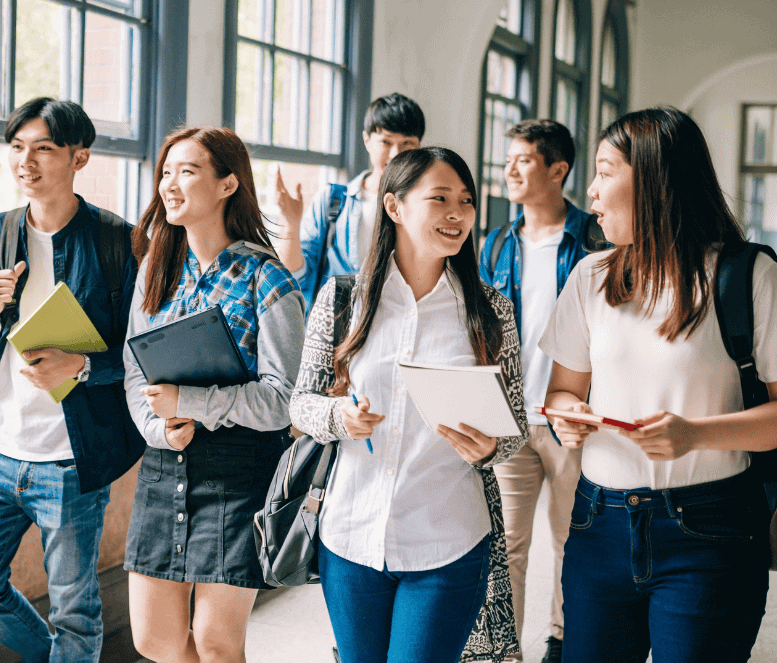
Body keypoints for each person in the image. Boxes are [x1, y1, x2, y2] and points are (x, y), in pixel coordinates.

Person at [540, 107, 777, 663]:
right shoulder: (590, 277)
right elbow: (562, 392)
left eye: (604, 171)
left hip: (709, 531)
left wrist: (694, 435)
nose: (591, 191)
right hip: (598, 523)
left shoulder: (749, 276)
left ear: (653, 180)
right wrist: (567, 416)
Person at [290, 147, 529, 663]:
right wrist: (340, 418)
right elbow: (300, 404)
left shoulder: (492, 313)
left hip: (448, 540)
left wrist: (491, 445)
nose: (456, 214)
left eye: (465, 202)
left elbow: (515, 429)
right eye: (439, 199)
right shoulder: (341, 301)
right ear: (394, 207)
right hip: (349, 537)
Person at [0, 97, 144, 663]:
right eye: (16, 147)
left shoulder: (118, 242)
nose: (24, 162)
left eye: (43, 149)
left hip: (69, 459)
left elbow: (143, 353)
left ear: (79, 157)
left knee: (75, 612)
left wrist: (81, 366)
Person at [122, 127, 306, 663]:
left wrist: (192, 403)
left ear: (228, 184)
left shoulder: (267, 279)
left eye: (187, 171)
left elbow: (283, 400)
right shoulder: (157, 267)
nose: (169, 185)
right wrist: (160, 426)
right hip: (164, 463)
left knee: (217, 643)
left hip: (238, 471)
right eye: (165, 172)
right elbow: (135, 370)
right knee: (153, 639)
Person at [478, 119, 593, 663]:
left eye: (524, 159)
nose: (510, 169)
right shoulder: (496, 244)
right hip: (509, 419)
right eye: (509, 159)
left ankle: (559, 640)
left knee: (573, 543)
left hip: (574, 420)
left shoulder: (596, 239)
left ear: (558, 169)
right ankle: (508, 650)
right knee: (506, 548)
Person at [275, 92, 425, 311]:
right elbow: (297, 277)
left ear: (419, 146)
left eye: (406, 143)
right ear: (367, 140)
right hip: (337, 332)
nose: (395, 153)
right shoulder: (334, 201)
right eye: (386, 142)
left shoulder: (426, 206)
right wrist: (290, 226)